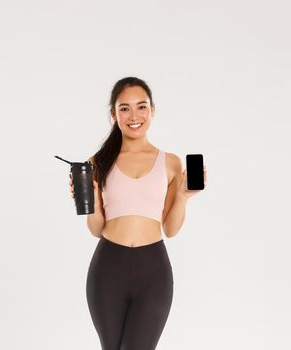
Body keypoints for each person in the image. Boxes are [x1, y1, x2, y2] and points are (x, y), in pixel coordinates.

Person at [67, 77, 207, 349]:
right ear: (113, 114)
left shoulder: (170, 162)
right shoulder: (98, 162)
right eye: (124, 108)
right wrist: (93, 195)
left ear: (152, 111)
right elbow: (96, 229)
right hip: (108, 268)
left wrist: (183, 196)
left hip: (152, 271)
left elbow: (171, 230)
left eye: (141, 107)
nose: (134, 116)